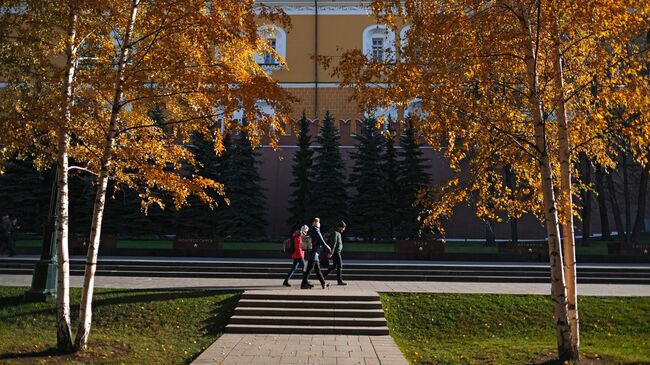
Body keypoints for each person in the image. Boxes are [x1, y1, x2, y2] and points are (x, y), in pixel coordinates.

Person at [300, 217, 331, 289]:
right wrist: (329, 249)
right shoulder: (316, 231)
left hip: (311, 253)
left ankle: (323, 283)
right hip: (313, 254)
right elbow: (322, 241)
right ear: (318, 224)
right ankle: (303, 284)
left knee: (317, 269)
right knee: (309, 270)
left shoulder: (310, 230)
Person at [323, 220, 347, 285]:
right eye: (343, 228)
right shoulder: (335, 233)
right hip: (336, 252)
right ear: (340, 227)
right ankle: (339, 281)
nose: (344, 229)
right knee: (340, 266)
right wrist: (331, 252)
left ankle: (323, 275)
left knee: (334, 266)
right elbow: (333, 243)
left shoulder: (337, 232)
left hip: (336, 251)